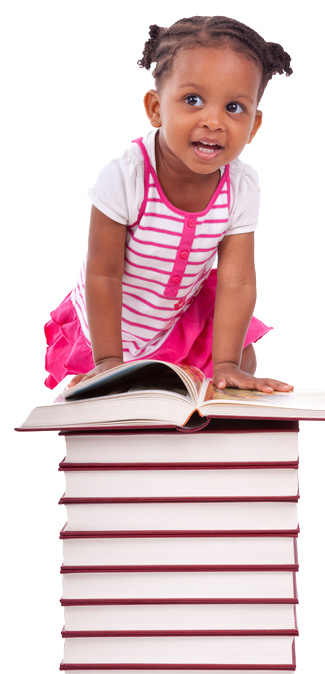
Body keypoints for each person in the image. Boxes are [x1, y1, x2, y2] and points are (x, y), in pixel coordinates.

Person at [44, 15, 294, 394]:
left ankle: (199, 425)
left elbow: (237, 280)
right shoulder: (126, 176)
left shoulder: (240, 186)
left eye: (234, 107)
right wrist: (109, 362)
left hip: (174, 320)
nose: (213, 121)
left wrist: (226, 362)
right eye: (193, 100)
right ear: (157, 108)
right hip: (110, 323)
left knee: (242, 360)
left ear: (254, 126)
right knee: (116, 389)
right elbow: (103, 274)